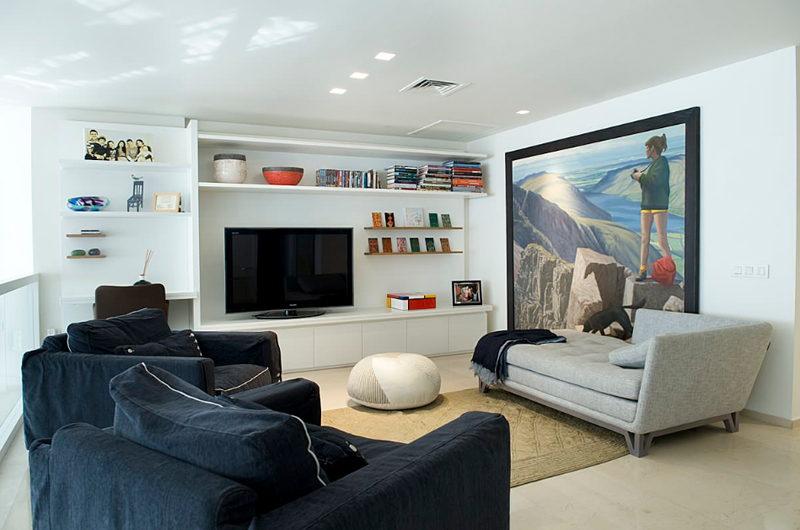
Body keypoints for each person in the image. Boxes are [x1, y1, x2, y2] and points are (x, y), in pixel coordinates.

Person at [631, 133, 671, 281]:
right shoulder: (655, 164)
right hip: (647, 205)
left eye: (647, 148)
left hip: (658, 205)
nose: (646, 151)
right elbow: (650, 184)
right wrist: (640, 178)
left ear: (653, 148)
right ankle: (643, 270)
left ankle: (668, 271)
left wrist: (640, 177)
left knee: (661, 239)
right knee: (645, 239)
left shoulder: (662, 163)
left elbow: (655, 182)